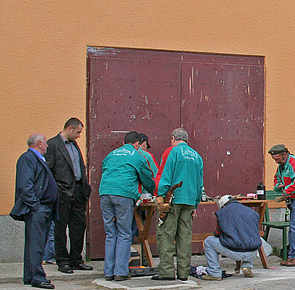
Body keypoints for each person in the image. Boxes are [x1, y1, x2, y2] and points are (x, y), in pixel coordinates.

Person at [98, 131, 157, 280]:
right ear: (137, 144)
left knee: (111, 233)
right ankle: (120, 272)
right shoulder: (137, 156)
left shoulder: (111, 154)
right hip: (123, 194)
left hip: (105, 193)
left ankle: (108, 272)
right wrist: (151, 191)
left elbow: (104, 169)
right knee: (124, 233)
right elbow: (147, 178)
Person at [153, 128, 204, 281]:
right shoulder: (197, 156)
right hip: (189, 201)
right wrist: (195, 204)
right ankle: (183, 272)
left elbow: (165, 176)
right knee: (184, 237)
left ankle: (167, 271)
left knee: (166, 235)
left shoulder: (173, 152)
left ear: (173, 139)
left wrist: (160, 197)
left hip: (173, 199)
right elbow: (199, 183)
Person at [44, 118, 92, 273]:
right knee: (60, 228)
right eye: (78, 132)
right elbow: (48, 170)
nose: (79, 136)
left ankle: (76, 259)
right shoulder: (53, 145)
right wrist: (56, 190)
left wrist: (85, 188)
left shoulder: (74, 145)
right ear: (69, 128)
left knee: (79, 227)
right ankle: (62, 260)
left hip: (78, 190)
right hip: (63, 191)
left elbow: (78, 166)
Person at [10, 134, 58, 289]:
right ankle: (37, 276)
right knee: (36, 244)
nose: (47, 146)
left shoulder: (34, 159)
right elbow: (25, 185)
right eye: (45, 143)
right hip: (38, 208)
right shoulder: (28, 158)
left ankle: (31, 276)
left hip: (42, 207)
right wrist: (35, 206)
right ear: (39, 143)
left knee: (36, 243)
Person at [202, 195, 273, 280]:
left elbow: (218, 233)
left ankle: (214, 273)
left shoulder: (222, 212)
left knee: (208, 241)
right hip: (252, 253)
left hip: (234, 251)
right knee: (249, 237)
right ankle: (247, 266)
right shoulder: (251, 212)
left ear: (223, 206)